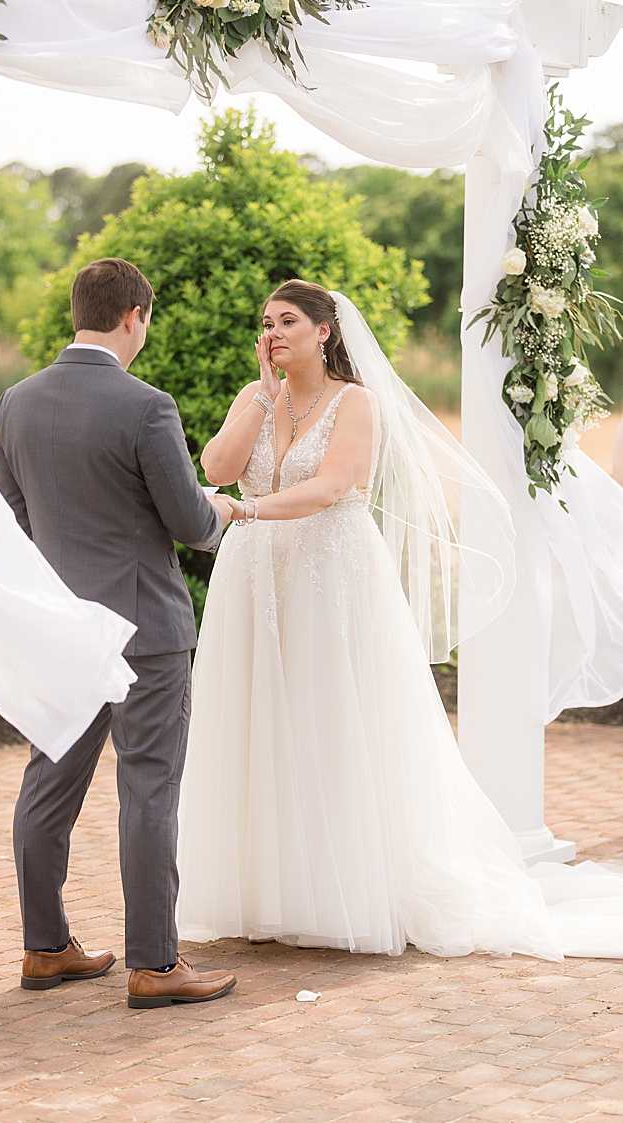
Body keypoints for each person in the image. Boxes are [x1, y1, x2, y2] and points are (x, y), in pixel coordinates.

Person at [176, 279, 623, 960]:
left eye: (288, 320)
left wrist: (247, 510)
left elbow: (330, 487)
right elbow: (217, 464)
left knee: (331, 718)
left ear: (324, 331)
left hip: (330, 572)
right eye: (266, 322)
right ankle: (269, 887)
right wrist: (261, 397)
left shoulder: (356, 402)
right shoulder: (255, 398)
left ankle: (340, 887)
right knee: (260, 718)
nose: (273, 332)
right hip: (254, 576)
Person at [0, 258, 240, 1007]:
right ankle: (156, 964)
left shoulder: (15, 401)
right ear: (135, 315)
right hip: (145, 632)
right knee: (150, 786)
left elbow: (16, 514)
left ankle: (43, 948)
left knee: (49, 780)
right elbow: (191, 524)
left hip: (64, 629)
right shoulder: (147, 406)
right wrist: (223, 508)